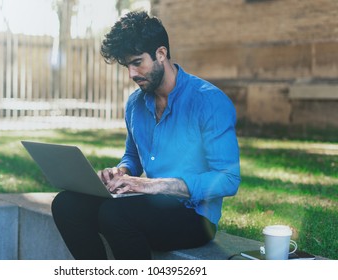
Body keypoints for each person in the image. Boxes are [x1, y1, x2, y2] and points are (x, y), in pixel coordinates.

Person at [51, 10, 240, 260]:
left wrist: (153, 185)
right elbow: (133, 156)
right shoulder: (135, 104)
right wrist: (122, 172)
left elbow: (228, 179)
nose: (131, 74)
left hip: (194, 217)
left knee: (114, 214)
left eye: (137, 62)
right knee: (66, 205)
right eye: (126, 65)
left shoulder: (209, 101)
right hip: (147, 203)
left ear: (161, 54)